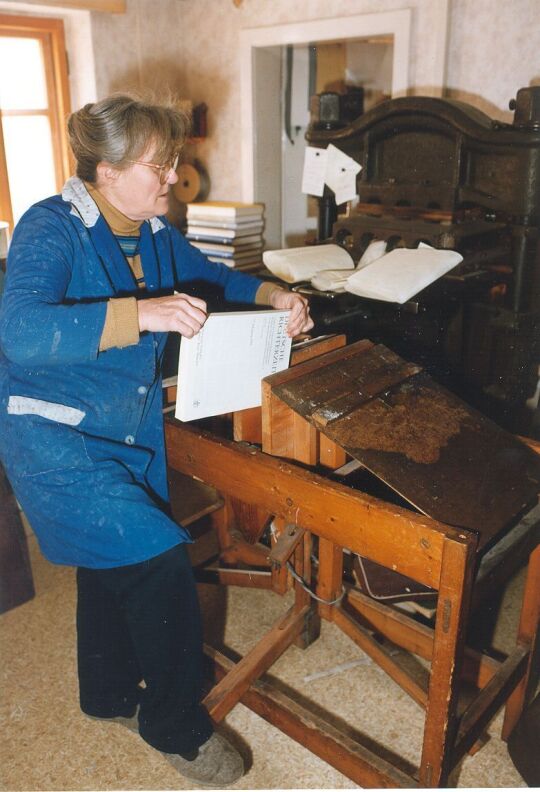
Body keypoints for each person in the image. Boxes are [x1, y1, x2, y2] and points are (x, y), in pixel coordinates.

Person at [0, 94, 313, 787]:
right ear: (106, 171)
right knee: (159, 558)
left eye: (172, 164)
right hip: (51, 439)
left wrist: (275, 298)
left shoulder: (151, 231)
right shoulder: (50, 228)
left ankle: (105, 694)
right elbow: (18, 330)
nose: (173, 178)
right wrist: (142, 312)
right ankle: (173, 724)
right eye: (158, 166)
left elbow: (213, 278)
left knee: (110, 559)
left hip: (119, 428)